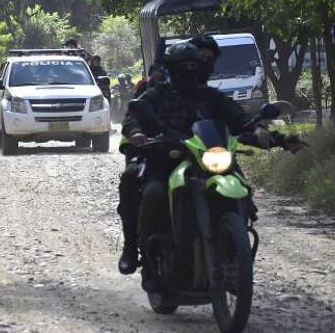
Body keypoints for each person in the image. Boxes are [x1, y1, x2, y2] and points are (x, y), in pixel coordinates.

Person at [117, 42, 282, 291]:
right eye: (183, 66)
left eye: (194, 65)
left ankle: (235, 259)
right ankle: (138, 254)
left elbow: (238, 118)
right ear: (172, 68)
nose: (189, 70)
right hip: (167, 160)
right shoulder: (157, 95)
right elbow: (133, 117)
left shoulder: (211, 96)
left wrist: (261, 130)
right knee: (153, 193)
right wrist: (138, 132)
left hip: (207, 159)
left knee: (243, 188)